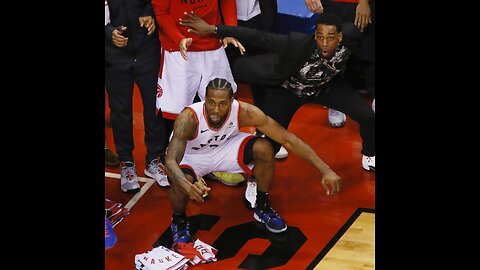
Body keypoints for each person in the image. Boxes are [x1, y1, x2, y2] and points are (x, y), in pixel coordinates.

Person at [179, 12, 375, 171]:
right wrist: (214, 29)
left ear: (340, 37)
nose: (324, 43)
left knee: (367, 116)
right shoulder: (298, 44)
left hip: (325, 87)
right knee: (269, 145)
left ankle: (370, 155)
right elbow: (258, 37)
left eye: (330, 38)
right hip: (287, 90)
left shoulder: (350, 38)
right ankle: (256, 186)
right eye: (320, 37)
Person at [165, 78, 341, 250]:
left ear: (232, 101)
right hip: (193, 155)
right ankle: (179, 221)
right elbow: (170, 162)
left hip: (224, 147)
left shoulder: (245, 112)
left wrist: (325, 170)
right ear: (204, 99)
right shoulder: (188, 118)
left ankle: (262, 206)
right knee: (180, 181)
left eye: (222, 104)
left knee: (265, 148)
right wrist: (187, 186)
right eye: (211, 103)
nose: (216, 110)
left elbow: (288, 140)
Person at [151, 0, 243, 146]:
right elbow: (161, 13)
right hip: (177, 50)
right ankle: (172, 155)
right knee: (174, 110)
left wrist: (228, 30)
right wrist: (178, 38)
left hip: (213, 46)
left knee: (222, 103)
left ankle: (219, 150)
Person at [105, 0, 168, 193]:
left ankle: (154, 160)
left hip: (147, 49)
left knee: (154, 106)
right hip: (113, 54)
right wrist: (108, 33)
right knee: (120, 111)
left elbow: (160, 2)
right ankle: (127, 163)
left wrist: (151, 15)